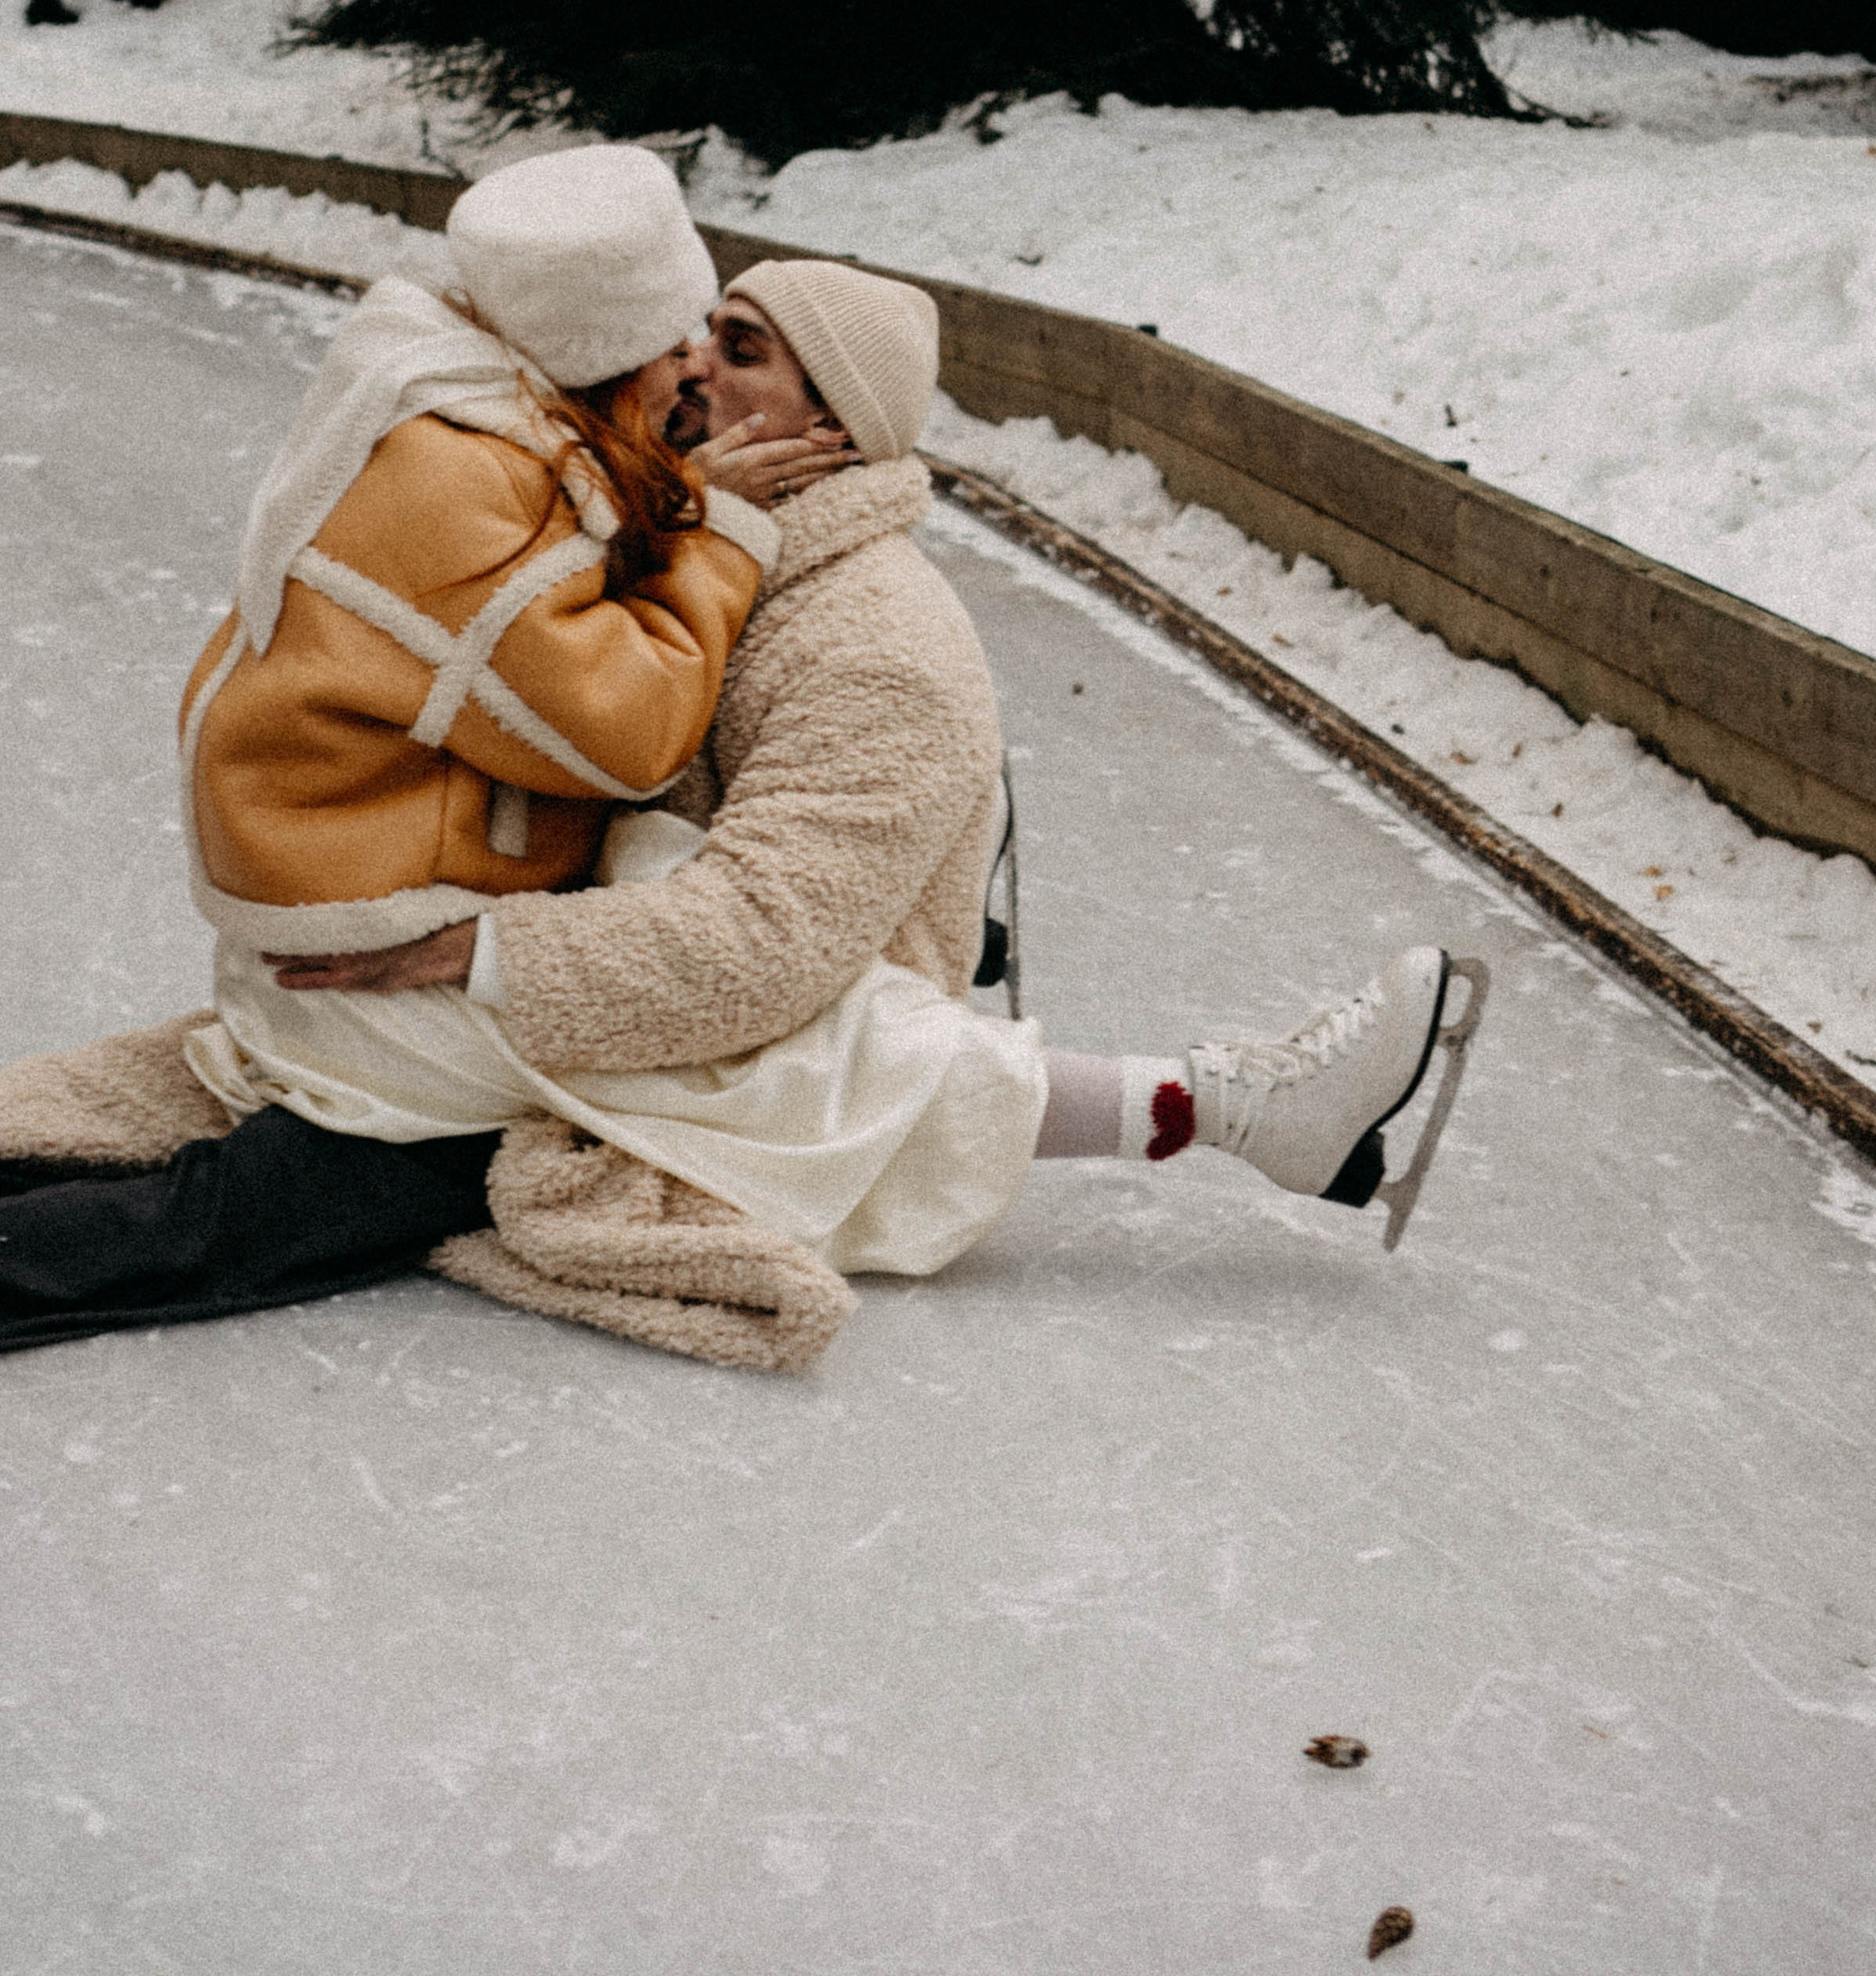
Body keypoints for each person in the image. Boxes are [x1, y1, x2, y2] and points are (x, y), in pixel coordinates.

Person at [0, 255, 1452, 1367]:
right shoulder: (674, 532)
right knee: (241, 1085)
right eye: (700, 333)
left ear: (832, 429)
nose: (691, 365)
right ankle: (1232, 1100)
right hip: (604, 971)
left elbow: (758, 948)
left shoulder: (878, 646)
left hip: (713, 1013)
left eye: (741, 351)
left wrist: (477, 952)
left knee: (279, 1188)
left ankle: (1238, 1104)